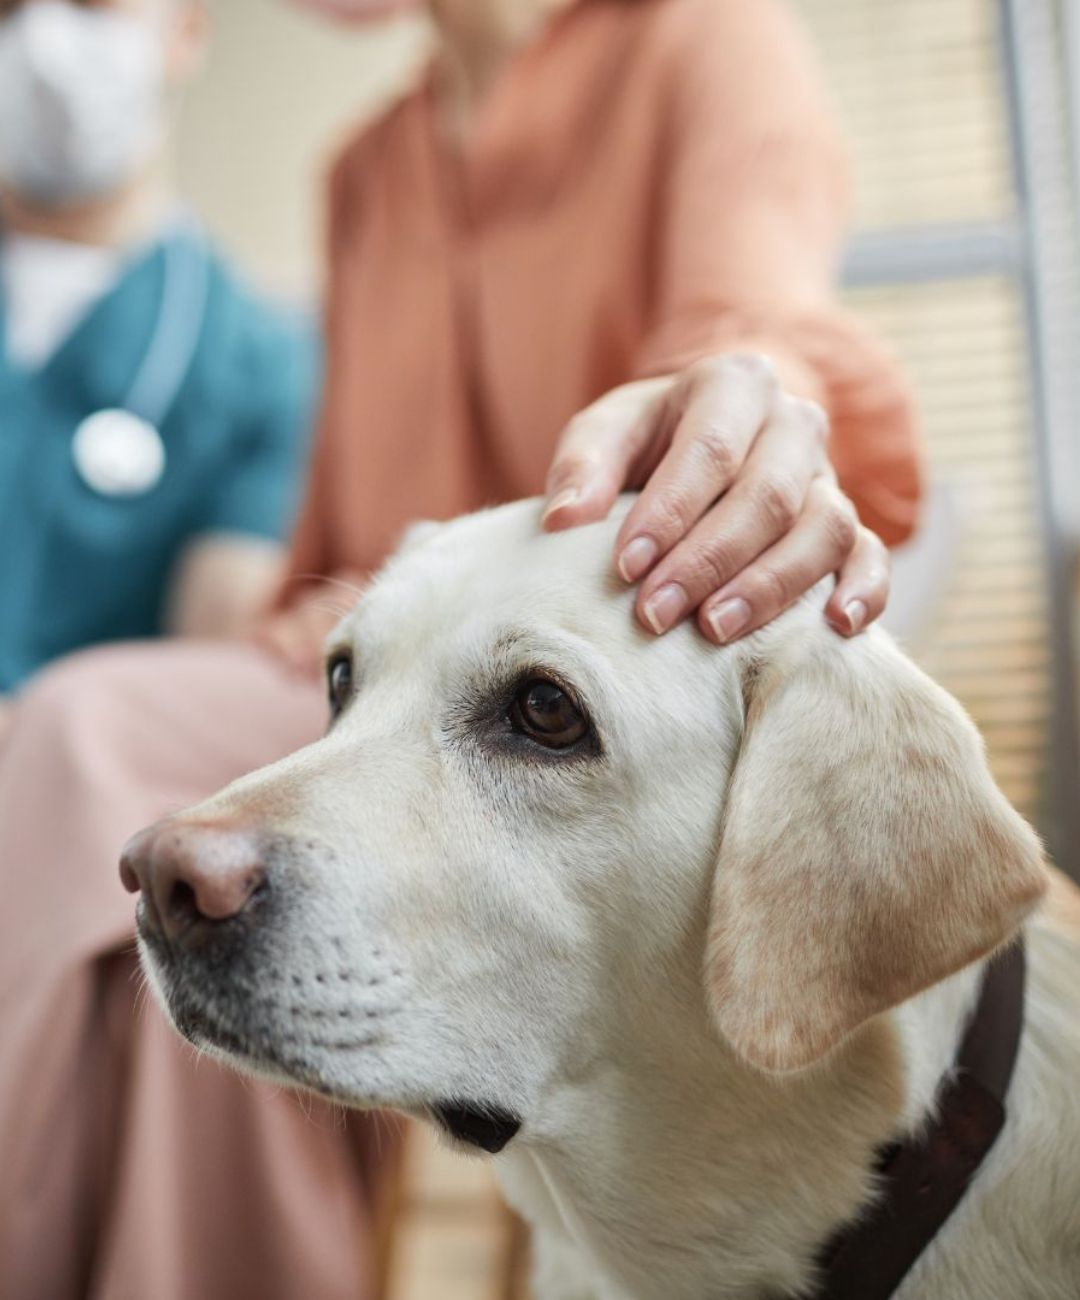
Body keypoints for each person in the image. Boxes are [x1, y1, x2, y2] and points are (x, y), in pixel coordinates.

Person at [0, 0, 922, 1296]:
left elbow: (755, 314)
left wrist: (746, 391)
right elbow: (328, 561)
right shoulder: (365, 170)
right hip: (356, 681)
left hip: (592, 709)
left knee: (91, 734)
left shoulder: (698, 39)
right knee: (139, 817)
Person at [0, 0, 315, 736]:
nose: (44, 40)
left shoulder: (261, 362)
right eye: (8, 9)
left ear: (187, 30)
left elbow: (197, 683)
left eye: (91, 5)